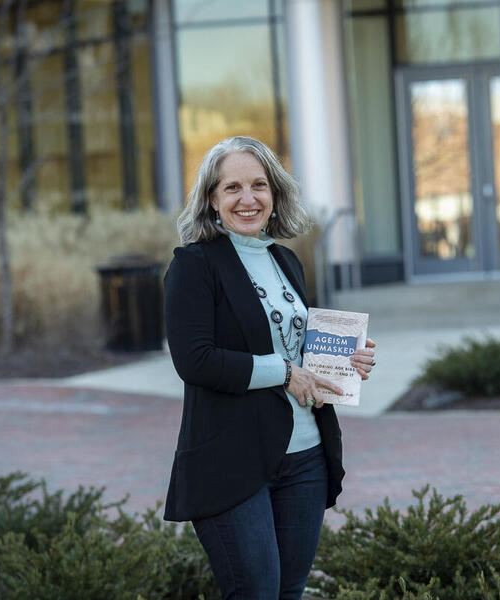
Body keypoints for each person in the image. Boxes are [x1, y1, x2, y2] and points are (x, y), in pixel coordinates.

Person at [162, 136, 376, 599]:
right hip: (232, 459)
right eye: (232, 187)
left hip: (306, 457)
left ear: (274, 194)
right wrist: (284, 372)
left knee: (289, 591)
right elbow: (194, 360)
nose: (248, 198)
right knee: (256, 592)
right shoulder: (194, 266)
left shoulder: (285, 260)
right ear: (212, 200)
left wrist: (345, 361)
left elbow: (296, 348)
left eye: (259, 185)